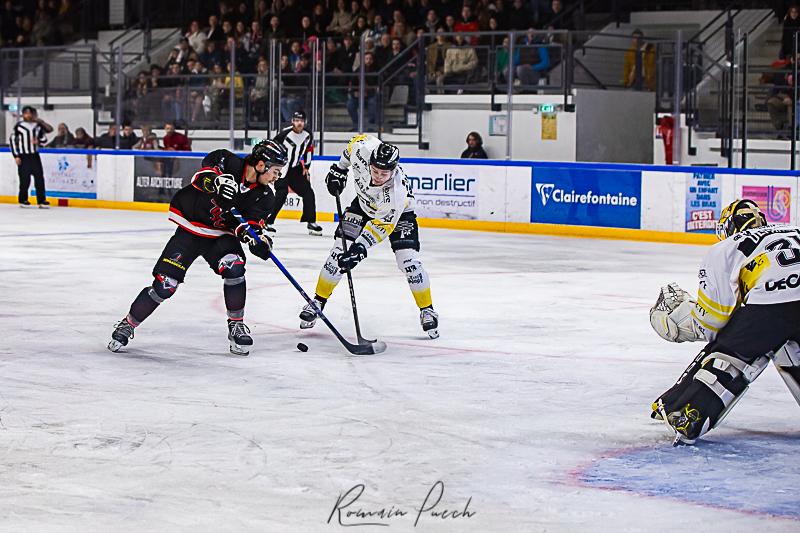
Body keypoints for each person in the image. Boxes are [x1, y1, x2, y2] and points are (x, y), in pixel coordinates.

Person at [108, 140, 289, 356]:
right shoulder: (226, 160)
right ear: (260, 165)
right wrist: (217, 182)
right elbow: (201, 177)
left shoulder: (266, 195)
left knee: (234, 267)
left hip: (220, 236)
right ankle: (128, 323)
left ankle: (236, 325)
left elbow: (249, 226)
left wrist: (257, 241)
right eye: (275, 171)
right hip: (191, 229)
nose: (277, 177)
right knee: (165, 284)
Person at [648, 199, 800, 445]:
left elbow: (712, 323)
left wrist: (678, 322)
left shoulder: (727, 247)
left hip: (773, 304)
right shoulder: (793, 230)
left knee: (734, 348)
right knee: (787, 346)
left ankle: (687, 412)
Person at [298, 135, 439, 338]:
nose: (378, 177)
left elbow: (382, 225)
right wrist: (340, 169)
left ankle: (427, 310)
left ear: (394, 170)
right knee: (338, 253)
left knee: (409, 261)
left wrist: (359, 248)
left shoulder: (396, 192)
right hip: (362, 206)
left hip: (399, 216)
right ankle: (317, 302)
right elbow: (350, 148)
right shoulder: (362, 149)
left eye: (384, 173)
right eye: (375, 171)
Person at [267, 110, 323, 236]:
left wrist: (307, 167)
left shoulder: (308, 134)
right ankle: (268, 222)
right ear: (292, 121)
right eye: (297, 120)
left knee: (308, 192)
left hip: (295, 169)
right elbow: (272, 149)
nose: (299, 123)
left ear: (305, 122)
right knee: (281, 194)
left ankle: (311, 221)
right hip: (282, 169)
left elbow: (309, 150)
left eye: (301, 121)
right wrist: (272, 168)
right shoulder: (284, 134)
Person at [9, 106, 52, 208]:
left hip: (34, 155)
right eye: (26, 113)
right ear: (23, 114)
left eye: (30, 113)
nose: (28, 115)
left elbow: (45, 138)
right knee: (24, 179)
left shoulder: (37, 126)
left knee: (39, 178)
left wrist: (38, 141)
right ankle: (23, 199)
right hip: (23, 156)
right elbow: (13, 141)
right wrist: (16, 156)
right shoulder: (19, 126)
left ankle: (41, 200)